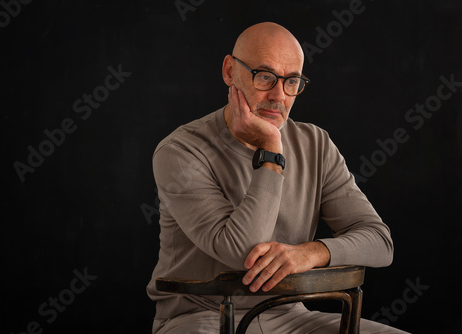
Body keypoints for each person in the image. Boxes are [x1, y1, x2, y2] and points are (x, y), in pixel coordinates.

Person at [147, 22, 408, 333]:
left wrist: (311, 253)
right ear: (230, 71)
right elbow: (242, 252)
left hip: (292, 317)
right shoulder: (180, 151)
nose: (279, 96)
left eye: (292, 81)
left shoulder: (316, 143)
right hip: (203, 318)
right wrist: (271, 152)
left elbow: (380, 242)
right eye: (265, 77)